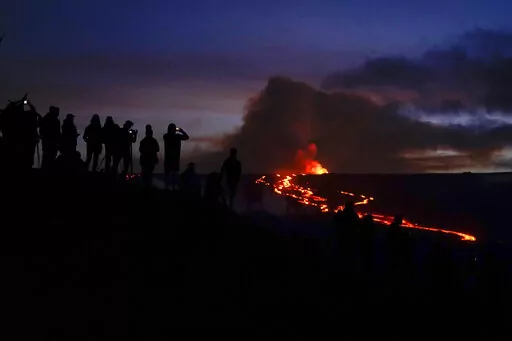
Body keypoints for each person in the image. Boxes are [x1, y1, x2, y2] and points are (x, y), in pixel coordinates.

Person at [163, 123, 189, 190]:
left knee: (173, 175)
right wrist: (180, 131)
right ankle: (167, 189)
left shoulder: (175, 136)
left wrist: (181, 131)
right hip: (169, 158)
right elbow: (186, 137)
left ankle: (173, 188)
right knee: (168, 175)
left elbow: (187, 137)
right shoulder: (167, 136)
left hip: (174, 159)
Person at [39, 106, 61, 170]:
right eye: (57, 112)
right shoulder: (47, 119)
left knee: (51, 156)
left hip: (51, 141)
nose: (58, 113)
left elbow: (58, 132)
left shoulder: (55, 120)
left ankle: (48, 169)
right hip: (48, 141)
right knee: (48, 155)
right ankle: (46, 169)